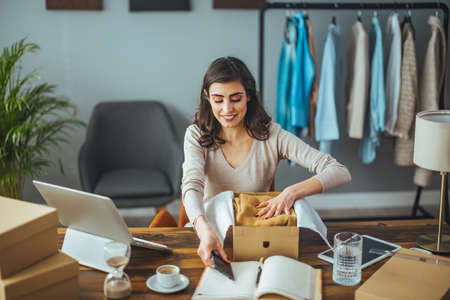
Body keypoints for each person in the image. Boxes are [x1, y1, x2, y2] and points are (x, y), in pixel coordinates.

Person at [181, 57, 351, 267]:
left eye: (236, 98)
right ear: (207, 97)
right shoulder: (196, 135)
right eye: (218, 99)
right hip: (209, 234)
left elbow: (340, 171)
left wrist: (290, 193)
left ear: (249, 96)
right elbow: (191, 185)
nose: (227, 109)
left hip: (256, 237)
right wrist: (203, 228)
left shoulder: (272, 135)